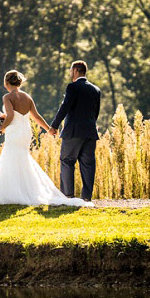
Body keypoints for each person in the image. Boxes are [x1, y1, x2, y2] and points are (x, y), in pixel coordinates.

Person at [0, 69, 93, 207]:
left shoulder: (7, 97)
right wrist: (49, 129)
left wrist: (0, 127)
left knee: (10, 157)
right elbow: (36, 116)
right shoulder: (27, 97)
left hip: (14, 132)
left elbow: (10, 117)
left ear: (6, 83)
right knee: (21, 157)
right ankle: (24, 191)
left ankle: (13, 193)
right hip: (25, 132)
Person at [49, 60, 102, 201]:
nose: (70, 73)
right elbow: (95, 113)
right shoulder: (96, 90)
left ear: (76, 70)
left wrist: (54, 125)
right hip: (90, 132)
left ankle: (68, 196)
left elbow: (65, 107)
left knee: (67, 160)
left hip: (73, 131)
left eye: (71, 70)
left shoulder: (72, 87)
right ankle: (86, 198)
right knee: (88, 164)